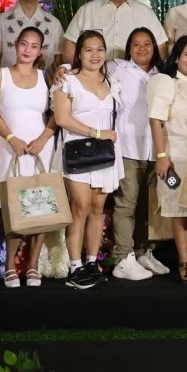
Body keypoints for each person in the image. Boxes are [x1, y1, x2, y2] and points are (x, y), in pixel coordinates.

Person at [53, 30, 126, 290]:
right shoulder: (66, 81)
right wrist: (97, 133)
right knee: (80, 207)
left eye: (99, 50)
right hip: (78, 153)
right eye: (88, 50)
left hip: (105, 155)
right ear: (79, 54)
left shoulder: (112, 81)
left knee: (97, 210)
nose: (95, 55)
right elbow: (62, 118)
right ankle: (75, 266)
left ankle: (92, 262)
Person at [0, 26, 57, 289]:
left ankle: (33, 265)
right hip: (9, 146)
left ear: (41, 50)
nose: (28, 50)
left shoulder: (46, 76)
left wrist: (43, 139)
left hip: (40, 148)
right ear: (15, 45)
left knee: (41, 204)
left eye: (34, 46)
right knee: (13, 205)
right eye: (24, 44)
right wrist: (11, 139)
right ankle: (9, 266)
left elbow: (57, 113)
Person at [148, 35, 187, 284]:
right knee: (179, 211)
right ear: (177, 57)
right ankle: (183, 259)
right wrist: (162, 157)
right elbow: (156, 120)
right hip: (176, 156)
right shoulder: (166, 82)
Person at [107, 27, 169, 281]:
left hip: (156, 150)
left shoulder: (163, 74)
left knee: (148, 206)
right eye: (136, 44)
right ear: (128, 48)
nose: (142, 48)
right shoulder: (116, 67)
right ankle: (123, 257)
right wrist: (63, 70)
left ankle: (143, 252)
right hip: (128, 148)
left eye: (147, 44)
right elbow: (84, 67)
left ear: (155, 47)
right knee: (126, 204)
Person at [62, 0, 168, 64]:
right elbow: (70, 43)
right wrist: (73, 73)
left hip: (135, 77)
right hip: (94, 77)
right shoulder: (86, 10)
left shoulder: (146, 12)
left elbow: (161, 47)